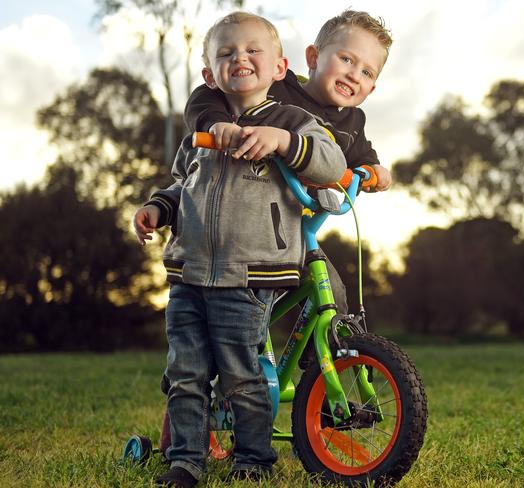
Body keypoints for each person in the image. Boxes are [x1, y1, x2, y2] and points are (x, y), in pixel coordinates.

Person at [133, 12, 346, 488]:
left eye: (253, 51)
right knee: (185, 375)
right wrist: (157, 208)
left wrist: (284, 141)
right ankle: (186, 461)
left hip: (249, 276)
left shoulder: (294, 119)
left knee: (242, 376)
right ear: (210, 74)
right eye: (226, 53)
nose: (240, 58)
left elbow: (332, 163)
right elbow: (181, 186)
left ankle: (253, 459)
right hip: (187, 276)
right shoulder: (200, 133)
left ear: (279, 67)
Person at [184, 9, 393, 321]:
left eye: (367, 72)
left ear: (372, 88)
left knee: (330, 292)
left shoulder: (353, 122)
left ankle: (322, 361)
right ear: (313, 57)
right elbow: (208, 93)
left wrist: (375, 171)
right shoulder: (280, 88)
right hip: (247, 222)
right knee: (241, 312)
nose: (354, 74)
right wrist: (218, 123)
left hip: (294, 228)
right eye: (347, 60)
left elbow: (361, 156)